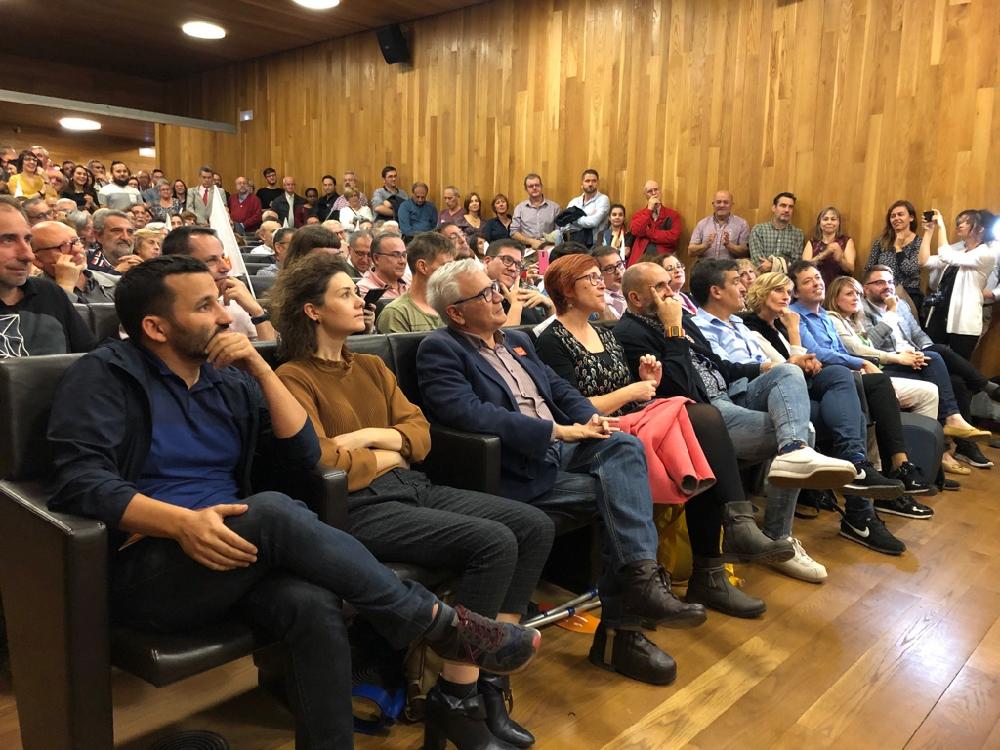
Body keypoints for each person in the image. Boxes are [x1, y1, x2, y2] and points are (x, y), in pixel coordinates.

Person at [45, 254, 541, 749]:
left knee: (312, 603)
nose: (224, 316)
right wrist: (180, 523)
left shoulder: (227, 379)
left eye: (219, 301)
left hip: (237, 554)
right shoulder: (105, 375)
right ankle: (435, 622)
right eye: (204, 307)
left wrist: (262, 369)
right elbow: (82, 482)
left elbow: (303, 454)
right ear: (156, 327)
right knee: (271, 510)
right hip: (153, 565)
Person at [269, 253, 550, 748]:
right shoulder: (293, 377)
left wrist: (371, 438)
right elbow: (324, 460)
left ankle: (488, 679)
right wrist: (389, 450)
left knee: (533, 526)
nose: (361, 301)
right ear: (312, 311)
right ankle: (458, 698)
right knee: (493, 541)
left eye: (356, 292)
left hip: (410, 486)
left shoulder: (372, 366)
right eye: (346, 294)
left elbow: (419, 435)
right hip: (357, 507)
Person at [418, 258, 709, 687]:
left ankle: (640, 580)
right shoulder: (441, 348)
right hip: (515, 463)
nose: (499, 296)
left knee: (622, 446)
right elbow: (465, 412)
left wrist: (591, 419)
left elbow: (559, 389)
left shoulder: (517, 340)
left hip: (561, 449)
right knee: (623, 496)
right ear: (456, 313)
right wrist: (554, 430)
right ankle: (623, 630)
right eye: (485, 293)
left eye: (495, 287)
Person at [534, 254, 794, 618]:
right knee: (701, 419)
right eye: (590, 278)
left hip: (636, 419)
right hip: (598, 433)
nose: (601, 282)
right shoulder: (553, 339)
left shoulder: (605, 334)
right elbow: (572, 408)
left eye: (598, 276)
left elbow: (671, 387)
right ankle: (722, 551)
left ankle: (722, 553)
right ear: (566, 290)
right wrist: (639, 382)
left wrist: (646, 381)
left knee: (702, 423)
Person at [614, 261, 861, 578]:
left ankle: (793, 451)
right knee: (807, 431)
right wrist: (673, 329)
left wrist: (763, 368)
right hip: (702, 414)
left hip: (729, 393)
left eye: (669, 283)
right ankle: (778, 537)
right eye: (659, 287)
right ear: (636, 298)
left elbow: (719, 366)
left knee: (788, 372)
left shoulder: (682, 318)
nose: (671, 292)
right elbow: (677, 388)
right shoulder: (631, 332)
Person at [861, 264, 998, 470]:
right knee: (937, 354)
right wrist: (891, 314)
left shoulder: (902, 304)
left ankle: (962, 445)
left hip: (915, 361)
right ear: (866, 288)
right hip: (888, 364)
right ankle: (982, 392)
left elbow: (918, 335)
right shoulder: (861, 308)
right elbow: (869, 344)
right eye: (879, 282)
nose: (887, 286)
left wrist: (922, 354)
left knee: (956, 380)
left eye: (890, 282)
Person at [0, 197, 95, 356]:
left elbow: (91, 359)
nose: (28, 255)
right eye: (7, 240)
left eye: (27, 240)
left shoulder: (48, 293)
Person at [162, 226, 276, 341]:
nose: (226, 267)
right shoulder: (169, 314)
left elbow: (269, 350)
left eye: (222, 257)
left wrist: (257, 312)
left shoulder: (234, 300)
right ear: (179, 265)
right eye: (211, 260)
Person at [923, 209, 1000, 360]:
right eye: (959, 221)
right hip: (944, 310)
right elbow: (925, 261)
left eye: (967, 222)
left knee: (957, 363)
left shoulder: (989, 251)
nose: (960, 225)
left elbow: (946, 255)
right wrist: (928, 231)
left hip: (968, 316)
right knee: (933, 358)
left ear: (980, 228)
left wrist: (941, 226)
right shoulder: (960, 249)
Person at [377, 232, 454, 333]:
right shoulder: (396, 313)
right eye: (446, 266)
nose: (453, 272)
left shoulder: (454, 308)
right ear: (422, 266)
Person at [863, 200, 927, 313]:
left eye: (900, 214)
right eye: (893, 216)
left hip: (909, 294)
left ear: (911, 217)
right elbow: (869, 269)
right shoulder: (881, 241)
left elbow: (910, 270)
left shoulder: (919, 242)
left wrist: (898, 248)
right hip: (881, 293)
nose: (896, 218)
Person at [482, 239, 554, 326]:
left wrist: (550, 307)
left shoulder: (524, 300)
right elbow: (504, 335)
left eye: (518, 265)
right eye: (507, 260)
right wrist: (516, 306)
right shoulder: (476, 298)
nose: (513, 269)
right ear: (487, 262)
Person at [627, 181, 681, 264]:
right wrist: (649, 209)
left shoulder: (672, 215)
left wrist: (648, 232)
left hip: (662, 259)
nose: (654, 193)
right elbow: (636, 231)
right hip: (640, 258)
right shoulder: (639, 215)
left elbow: (673, 237)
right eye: (649, 191)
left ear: (660, 192)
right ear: (645, 195)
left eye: (656, 190)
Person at [748, 192, 804, 271]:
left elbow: (795, 264)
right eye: (783, 206)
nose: (787, 210)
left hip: (786, 278)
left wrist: (773, 265)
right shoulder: (758, 230)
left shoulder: (798, 235)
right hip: (763, 277)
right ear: (774, 208)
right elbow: (758, 261)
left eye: (790, 207)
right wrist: (783, 265)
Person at [687, 191, 750, 260]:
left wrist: (729, 245)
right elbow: (690, 252)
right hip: (705, 266)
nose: (722, 205)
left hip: (730, 266)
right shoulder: (702, 224)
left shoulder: (742, 224)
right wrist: (705, 245)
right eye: (718, 202)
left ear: (732, 204)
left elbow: (746, 253)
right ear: (713, 204)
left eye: (726, 202)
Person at [802, 206, 855, 286]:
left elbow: (851, 269)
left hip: (840, 287)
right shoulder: (812, 242)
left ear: (839, 223)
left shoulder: (847, 241)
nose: (829, 222)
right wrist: (825, 254)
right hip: (816, 286)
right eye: (825, 219)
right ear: (819, 223)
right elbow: (804, 269)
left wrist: (840, 260)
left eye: (833, 219)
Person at [510, 174, 560, 251]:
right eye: (530, 186)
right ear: (526, 189)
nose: (534, 188)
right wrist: (531, 241)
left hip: (548, 249)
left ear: (541, 186)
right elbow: (513, 233)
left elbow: (559, 232)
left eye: (537, 185)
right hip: (526, 249)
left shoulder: (554, 207)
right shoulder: (519, 208)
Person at [562, 169, 610, 246]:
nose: (590, 184)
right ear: (582, 184)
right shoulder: (574, 202)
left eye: (594, 181)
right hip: (574, 244)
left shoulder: (603, 199)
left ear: (597, 183)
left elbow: (593, 222)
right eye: (587, 181)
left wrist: (573, 219)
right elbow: (564, 225)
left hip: (595, 245)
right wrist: (587, 218)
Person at [356, 232, 408, 299]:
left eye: (404, 255)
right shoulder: (364, 290)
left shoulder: (409, 285)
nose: (402, 261)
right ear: (376, 258)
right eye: (395, 255)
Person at [89, 210, 143, 274]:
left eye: (130, 232)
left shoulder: (141, 267)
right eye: (117, 231)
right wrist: (116, 272)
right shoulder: (84, 265)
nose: (125, 238)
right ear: (99, 236)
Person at [593, 245, 627, 319]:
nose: (618, 271)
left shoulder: (632, 287)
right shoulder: (602, 301)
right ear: (598, 274)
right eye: (610, 268)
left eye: (619, 264)